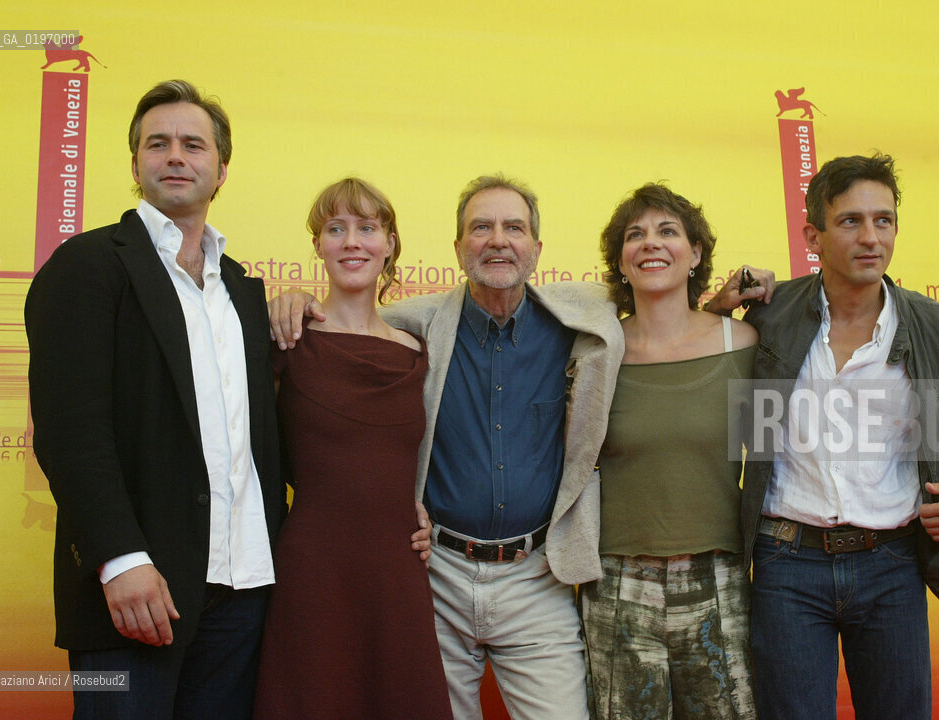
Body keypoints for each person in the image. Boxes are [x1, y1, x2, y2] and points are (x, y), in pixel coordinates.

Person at [268, 175, 772, 719]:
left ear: (537, 249)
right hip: (435, 574)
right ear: (458, 248)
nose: (498, 240)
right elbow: (347, 322)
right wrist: (292, 302)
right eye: (480, 228)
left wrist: (719, 303)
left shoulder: (580, 319)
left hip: (538, 578)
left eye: (514, 227)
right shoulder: (412, 326)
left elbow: (662, 304)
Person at [25, 80, 285, 719]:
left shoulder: (243, 290)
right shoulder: (86, 265)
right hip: (137, 592)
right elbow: (68, 432)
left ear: (221, 167)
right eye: (157, 143)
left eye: (193, 145)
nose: (176, 156)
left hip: (244, 591)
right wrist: (119, 560)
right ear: (135, 162)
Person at [740, 153, 939, 720]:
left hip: (891, 563)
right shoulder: (765, 318)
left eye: (884, 220)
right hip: (785, 563)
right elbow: (688, 354)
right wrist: (720, 305)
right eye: (851, 222)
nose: (871, 237)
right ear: (812, 234)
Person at [252, 178, 452, 719]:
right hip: (311, 571)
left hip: (397, 571)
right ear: (318, 245)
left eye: (367, 228)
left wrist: (425, 512)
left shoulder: (418, 353)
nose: (352, 242)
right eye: (336, 229)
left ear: (389, 243)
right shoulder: (286, 341)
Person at [579, 184, 758, 719]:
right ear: (620, 260)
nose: (650, 244)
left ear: (696, 253)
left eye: (667, 231)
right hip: (615, 584)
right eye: (635, 235)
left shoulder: (743, 344)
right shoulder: (595, 351)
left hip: (720, 580)